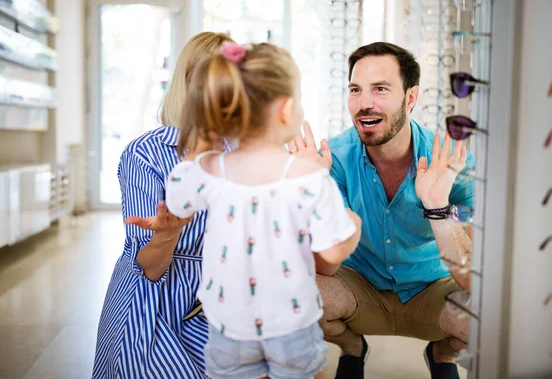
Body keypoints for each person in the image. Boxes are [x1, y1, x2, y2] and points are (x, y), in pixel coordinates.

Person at [164, 41, 363, 379]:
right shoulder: (308, 176)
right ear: (285, 109)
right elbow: (332, 251)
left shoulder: (209, 169)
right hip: (291, 327)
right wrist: (352, 222)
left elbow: (177, 200)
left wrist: (198, 139)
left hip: (228, 328)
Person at [290, 42, 474, 379]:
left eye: (380, 89)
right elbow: (324, 270)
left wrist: (438, 206)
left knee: (486, 314)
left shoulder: (451, 164)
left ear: (411, 97)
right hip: (360, 287)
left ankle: (442, 354)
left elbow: (473, 278)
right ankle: (352, 347)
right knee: (296, 294)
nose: (364, 104)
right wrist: (314, 193)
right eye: (356, 90)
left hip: (432, 291)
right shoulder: (334, 160)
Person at [92, 31, 234, 379]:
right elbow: (150, 267)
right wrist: (168, 234)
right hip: (151, 307)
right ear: (187, 84)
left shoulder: (243, 155)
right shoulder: (146, 154)